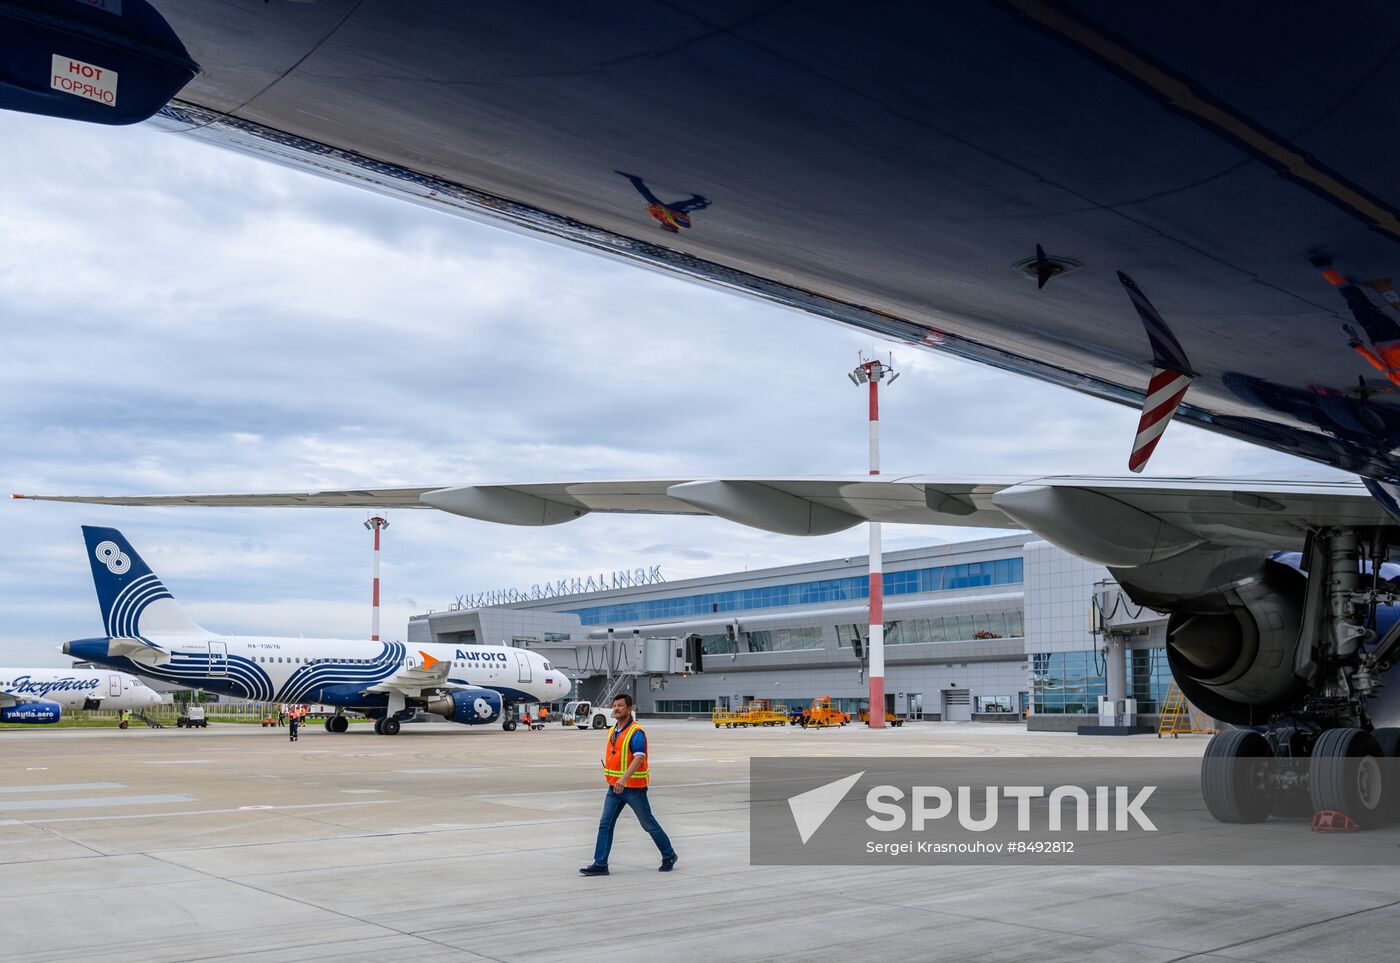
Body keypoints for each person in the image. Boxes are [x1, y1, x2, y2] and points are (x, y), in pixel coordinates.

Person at [579, 694, 677, 876]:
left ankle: (669, 855)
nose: (616, 708)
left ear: (629, 709)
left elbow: (639, 758)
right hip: (614, 788)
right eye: (615, 705)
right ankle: (600, 864)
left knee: (647, 824)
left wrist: (623, 779)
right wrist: (616, 780)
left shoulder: (636, 732)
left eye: (620, 706)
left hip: (633, 788)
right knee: (605, 824)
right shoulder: (612, 730)